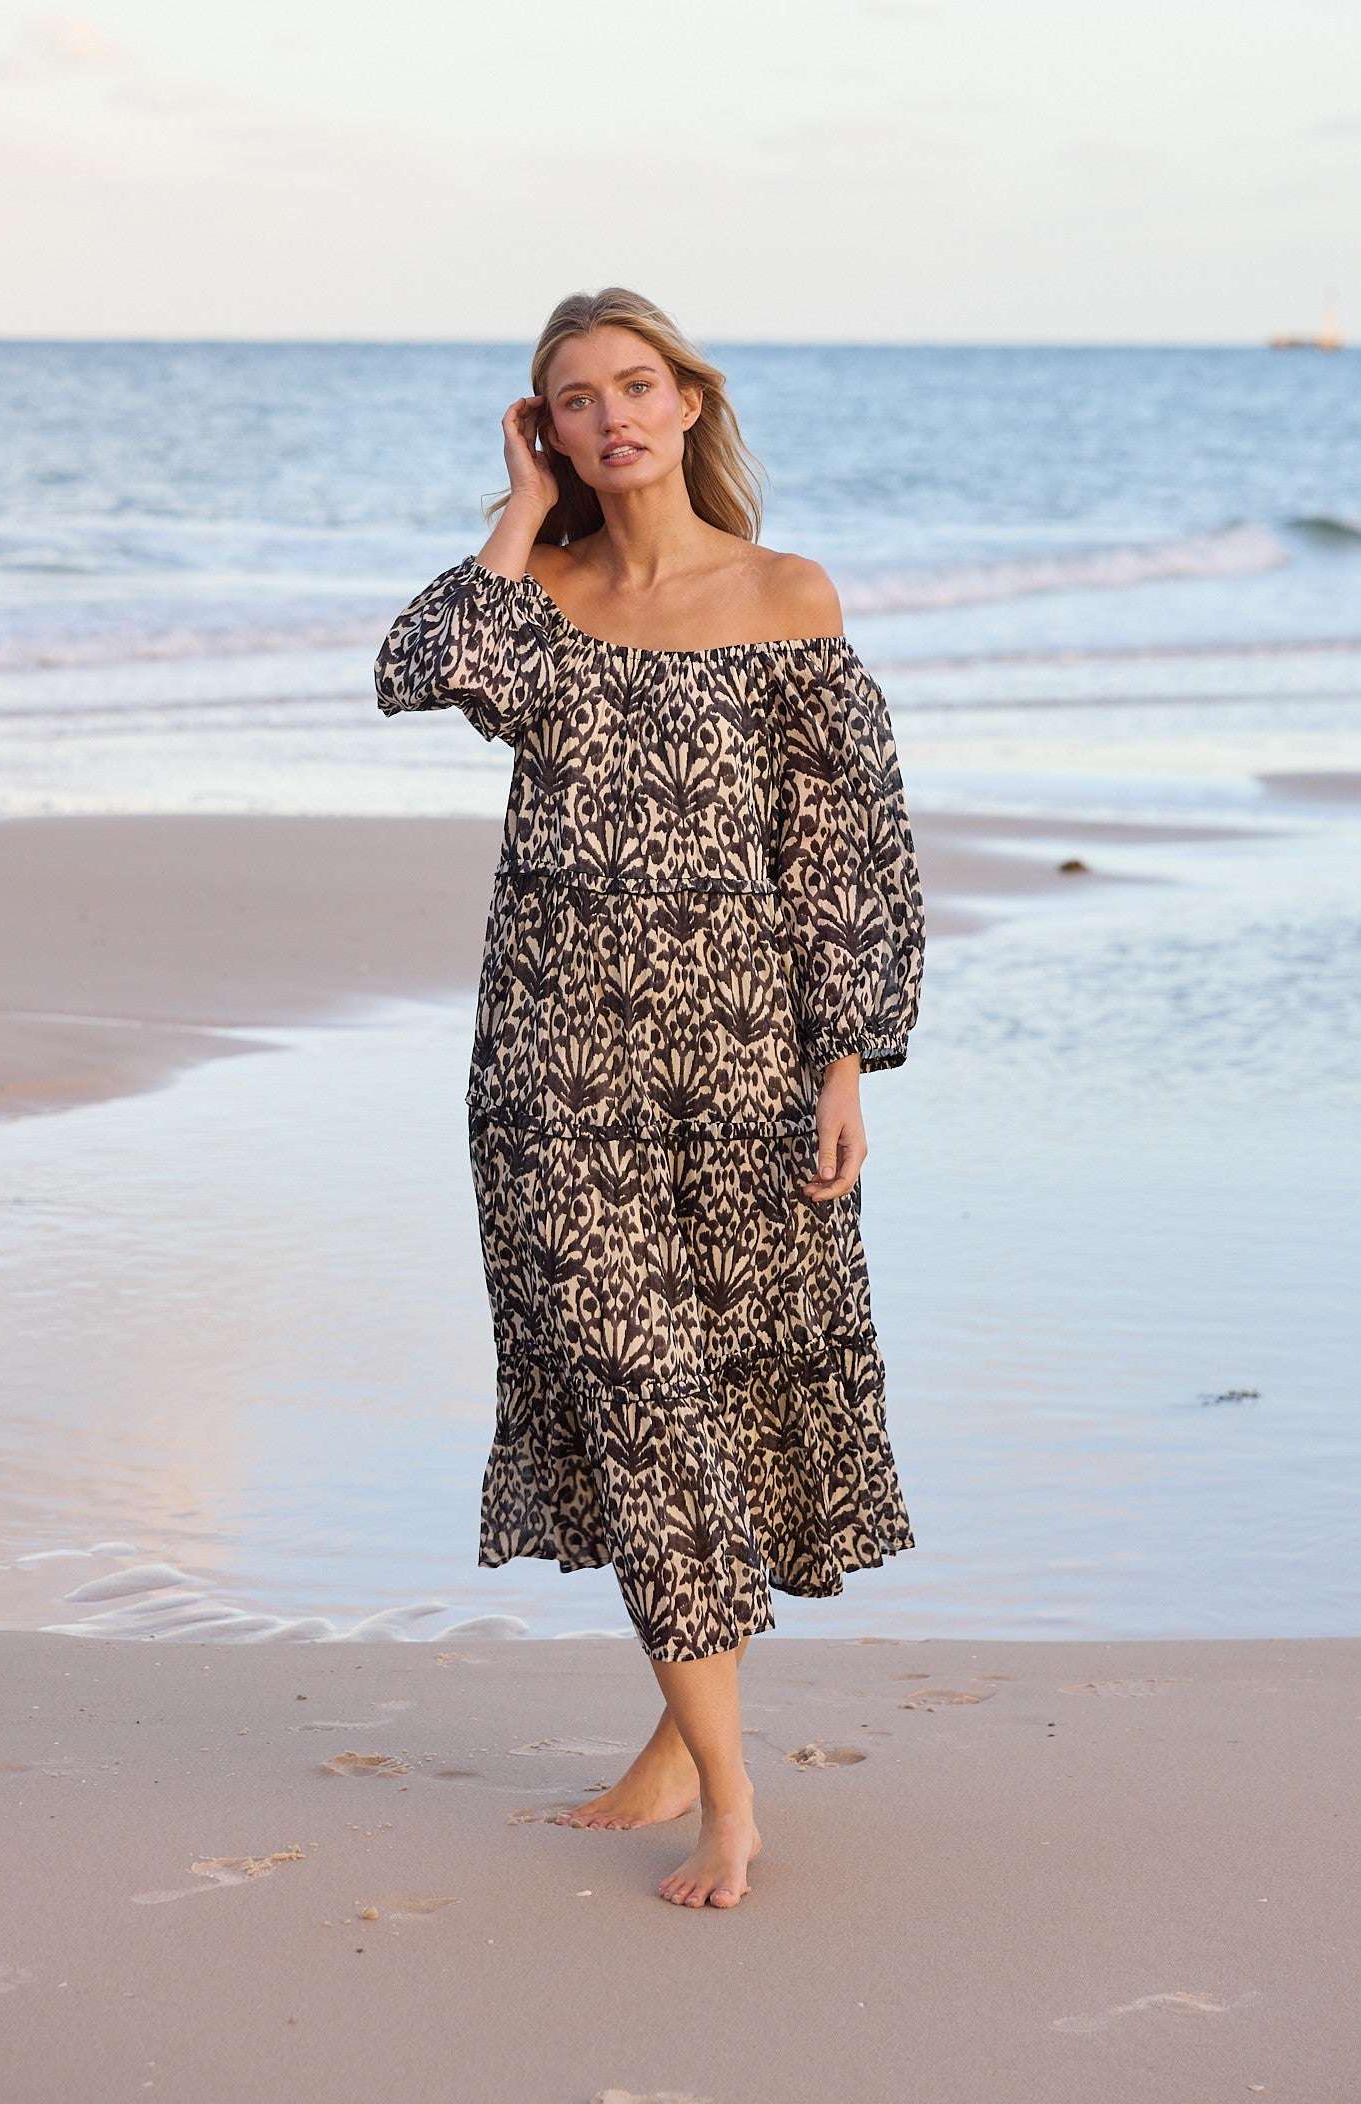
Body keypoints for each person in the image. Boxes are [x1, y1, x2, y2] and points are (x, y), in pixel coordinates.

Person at [375, 288, 925, 1910]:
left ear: (687, 400)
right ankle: (732, 1800)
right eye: (573, 399)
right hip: (549, 1068)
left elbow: (844, 850)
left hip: (742, 1065)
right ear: (544, 428)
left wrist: (845, 1064)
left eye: (634, 385)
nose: (611, 416)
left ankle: (678, 1742)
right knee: (635, 1395)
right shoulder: (534, 599)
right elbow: (415, 669)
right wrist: (515, 511)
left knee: (721, 1398)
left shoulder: (785, 594)